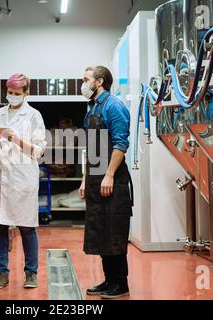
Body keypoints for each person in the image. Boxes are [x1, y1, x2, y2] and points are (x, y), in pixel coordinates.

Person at [0, 73, 47, 290]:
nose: (12, 96)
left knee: (27, 227)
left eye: (16, 94)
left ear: (25, 93)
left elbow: (38, 151)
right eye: (10, 93)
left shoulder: (34, 116)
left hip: (22, 178)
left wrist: (15, 138)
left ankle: (31, 273)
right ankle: (2, 274)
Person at [79, 66, 134, 299]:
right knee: (101, 230)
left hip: (113, 178)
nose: (83, 84)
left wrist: (109, 174)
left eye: (86, 80)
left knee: (114, 230)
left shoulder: (114, 106)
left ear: (99, 81)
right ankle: (109, 280)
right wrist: (85, 179)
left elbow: (121, 143)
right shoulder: (91, 108)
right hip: (94, 178)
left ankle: (120, 284)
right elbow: (90, 149)